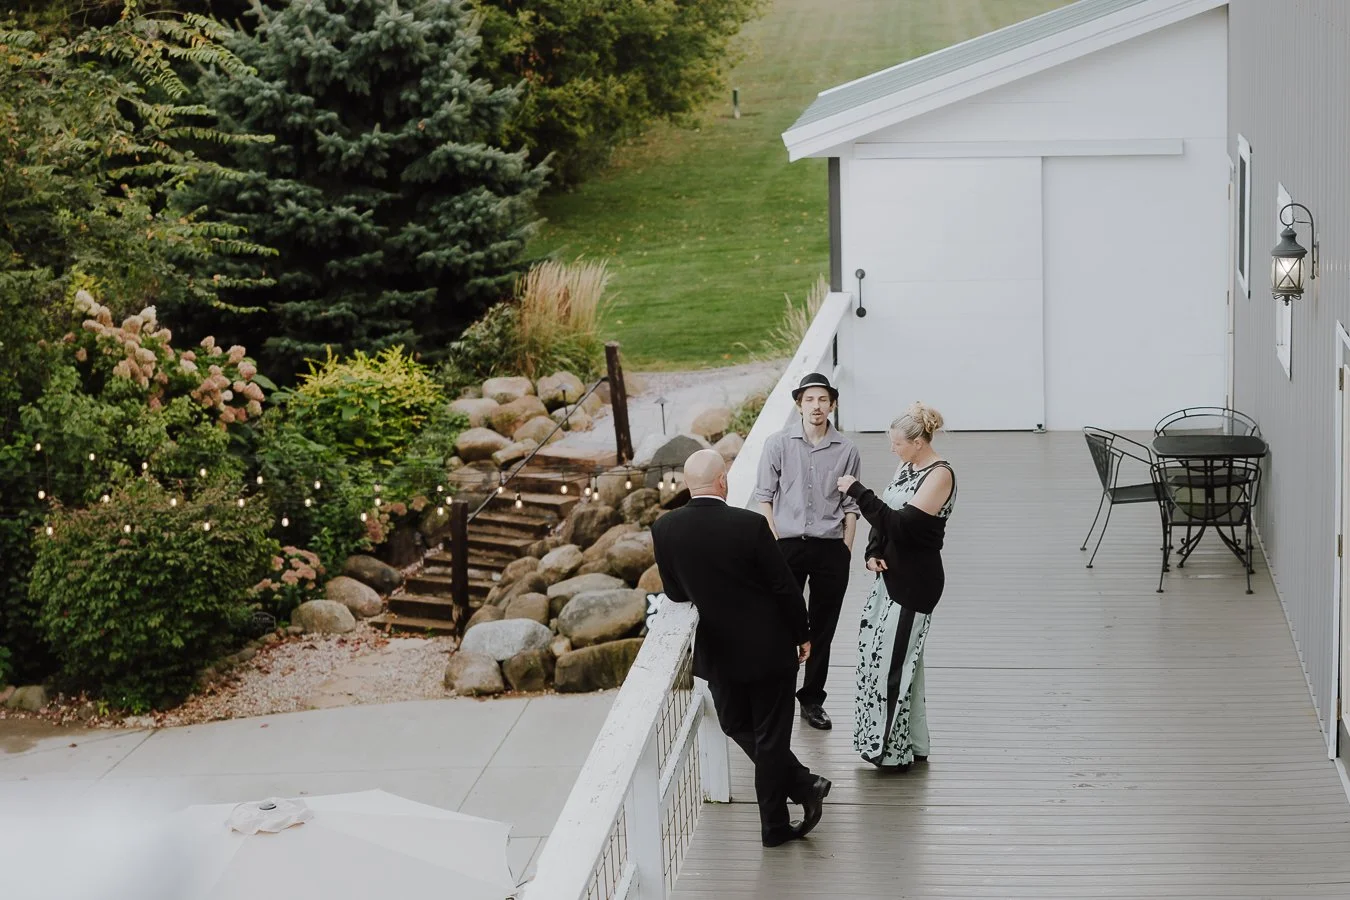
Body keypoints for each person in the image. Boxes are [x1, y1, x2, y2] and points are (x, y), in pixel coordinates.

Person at [652, 448, 832, 847]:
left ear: (685, 484)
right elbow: (784, 586)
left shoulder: (664, 529)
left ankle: (801, 792)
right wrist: (803, 634)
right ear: (723, 482)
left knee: (735, 723)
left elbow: (676, 593)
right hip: (769, 649)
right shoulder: (749, 524)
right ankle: (791, 802)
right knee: (768, 736)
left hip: (719, 653)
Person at [837, 402, 956, 772]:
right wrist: (872, 552)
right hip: (889, 579)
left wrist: (858, 491)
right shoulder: (908, 467)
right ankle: (914, 743)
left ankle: (888, 752)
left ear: (919, 442)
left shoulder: (939, 476)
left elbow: (903, 525)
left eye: (898, 444)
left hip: (915, 584)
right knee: (897, 661)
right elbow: (885, 520)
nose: (893, 449)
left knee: (891, 666)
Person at [753, 372, 861, 731]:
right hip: (787, 546)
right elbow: (764, 498)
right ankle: (779, 693)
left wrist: (846, 548)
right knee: (783, 622)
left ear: (832, 404)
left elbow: (851, 505)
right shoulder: (778, 444)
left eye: (823, 399)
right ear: (799, 404)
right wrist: (773, 544)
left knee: (824, 627)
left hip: (830, 548)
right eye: (810, 399)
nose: (817, 406)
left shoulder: (846, 450)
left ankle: (812, 699)